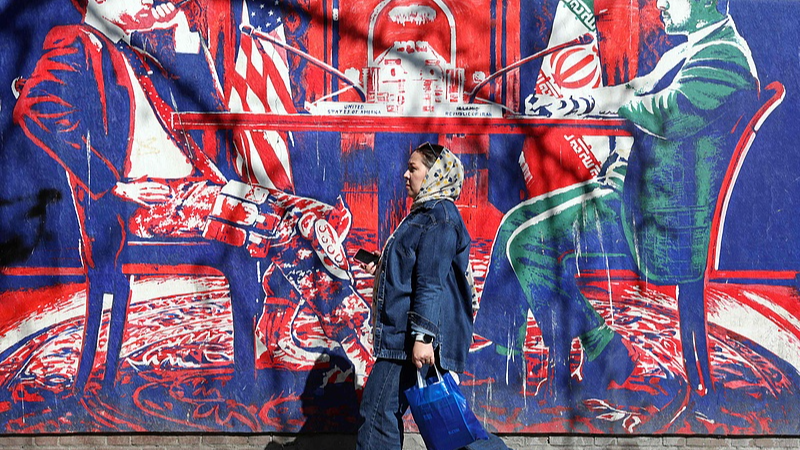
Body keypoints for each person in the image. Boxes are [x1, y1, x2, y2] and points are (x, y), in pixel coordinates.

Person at [12, 0, 371, 396]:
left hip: (193, 193)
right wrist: (113, 184)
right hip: (140, 207)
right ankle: (356, 349)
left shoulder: (138, 50)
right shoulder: (75, 41)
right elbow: (34, 107)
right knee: (280, 224)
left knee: (312, 217)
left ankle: (328, 335)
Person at [475, 0, 760, 411]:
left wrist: (617, 106)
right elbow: (633, 91)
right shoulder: (687, 51)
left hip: (654, 218)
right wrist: (573, 105)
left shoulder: (725, 57)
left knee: (527, 242)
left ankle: (596, 350)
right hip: (629, 192)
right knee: (513, 223)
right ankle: (504, 358)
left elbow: (665, 115)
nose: (660, 3)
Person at [356, 142, 510, 450]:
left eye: (413, 168)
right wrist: (385, 264)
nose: (405, 174)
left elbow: (431, 282)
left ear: (435, 173)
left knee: (378, 414)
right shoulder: (426, 213)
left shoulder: (438, 217)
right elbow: (418, 269)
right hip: (409, 334)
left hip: (412, 337)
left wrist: (423, 337)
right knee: (447, 423)